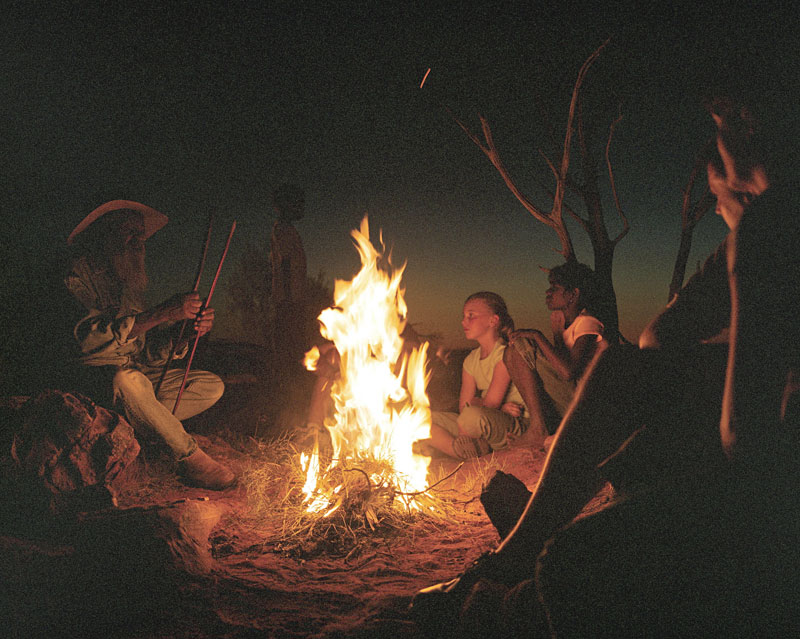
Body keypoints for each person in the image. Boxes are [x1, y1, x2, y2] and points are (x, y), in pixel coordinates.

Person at [410, 93, 799, 637]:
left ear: (756, 129)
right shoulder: (750, 234)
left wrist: (752, 254)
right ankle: (520, 558)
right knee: (624, 377)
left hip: (777, 477)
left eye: (726, 120)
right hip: (747, 442)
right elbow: (656, 340)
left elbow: (746, 438)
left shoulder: (771, 230)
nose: (714, 207)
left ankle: (528, 573)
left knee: (565, 565)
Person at [62, 200, 235, 490]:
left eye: (141, 235)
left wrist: (183, 335)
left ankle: (149, 422)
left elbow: (143, 355)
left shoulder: (128, 282)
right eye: (129, 232)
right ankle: (189, 457)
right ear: (104, 234)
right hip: (95, 383)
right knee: (126, 380)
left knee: (210, 385)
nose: (139, 241)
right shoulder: (75, 276)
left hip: (136, 380)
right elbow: (88, 341)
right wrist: (163, 313)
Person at [503, 262, 605, 447]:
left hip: (584, 405)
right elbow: (559, 363)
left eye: (555, 288)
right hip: (569, 399)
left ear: (573, 294)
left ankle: (538, 429)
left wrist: (537, 336)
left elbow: (568, 372)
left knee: (521, 345)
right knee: (510, 352)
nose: (548, 292)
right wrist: (557, 332)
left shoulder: (588, 323)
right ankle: (541, 426)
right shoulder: (568, 323)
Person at [420, 292, 527, 460]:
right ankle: (460, 449)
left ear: (493, 321)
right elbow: (464, 407)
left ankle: (466, 450)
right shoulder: (471, 360)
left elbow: (490, 404)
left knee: (471, 417)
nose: (464, 322)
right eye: (463, 317)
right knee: (422, 418)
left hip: (511, 426)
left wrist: (485, 405)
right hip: (481, 421)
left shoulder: (505, 354)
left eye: (471, 316)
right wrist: (488, 406)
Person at [270, 183, 307, 368]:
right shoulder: (284, 229)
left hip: (292, 297)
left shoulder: (287, 229)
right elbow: (285, 264)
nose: (301, 208)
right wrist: (288, 300)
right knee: (288, 344)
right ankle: (285, 376)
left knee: (291, 344)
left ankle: (288, 373)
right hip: (288, 299)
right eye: (297, 204)